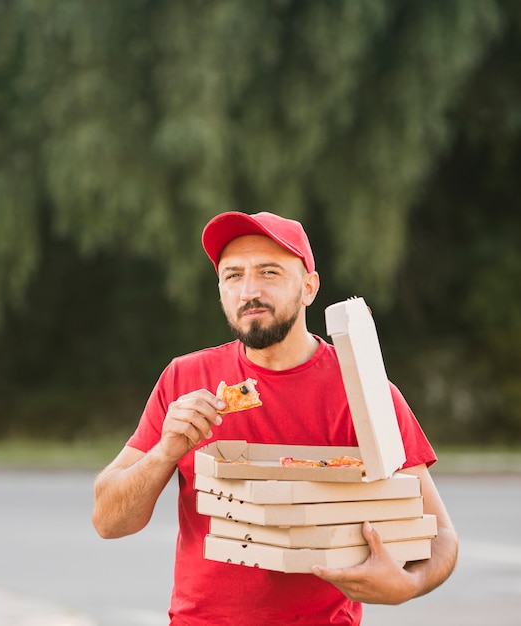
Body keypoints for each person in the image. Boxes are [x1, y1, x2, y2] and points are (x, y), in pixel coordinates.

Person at [92, 211, 458, 625]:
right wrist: (163, 453)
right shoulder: (185, 380)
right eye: (233, 276)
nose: (249, 291)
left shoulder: (364, 390)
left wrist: (408, 586)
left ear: (308, 287)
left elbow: (442, 536)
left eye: (269, 272)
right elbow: (108, 522)